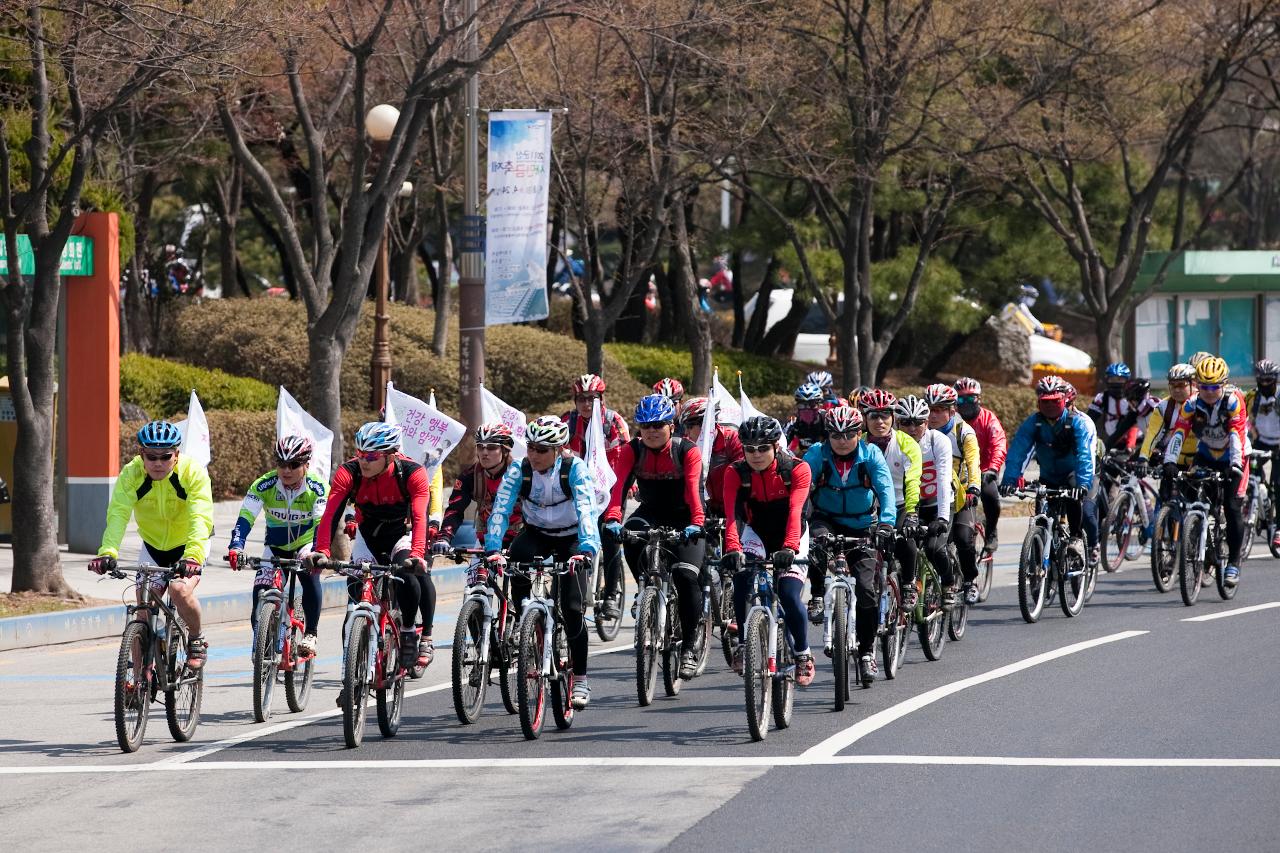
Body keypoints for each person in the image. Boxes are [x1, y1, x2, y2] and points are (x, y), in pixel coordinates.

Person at [484, 415, 600, 709]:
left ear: (559, 449)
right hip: (536, 533)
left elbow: (587, 509)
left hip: (571, 538)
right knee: (517, 567)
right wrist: (494, 549)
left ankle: (582, 677)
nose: (534, 455)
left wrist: (586, 550)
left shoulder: (575, 469)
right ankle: (528, 630)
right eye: (531, 448)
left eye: (542, 450)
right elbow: (500, 509)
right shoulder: (519, 471)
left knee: (573, 608)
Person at [308, 422, 434, 672]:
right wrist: (322, 550)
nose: (363, 461)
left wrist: (418, 555)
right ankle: (350, 673)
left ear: (389, 455)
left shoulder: (411, 472)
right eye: (360, 453)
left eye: (372, 456)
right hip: (368, 535)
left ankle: (410, 630)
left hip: (402, 533)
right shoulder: (349, 472)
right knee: (355, 601)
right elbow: (331, 514)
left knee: (407, 577)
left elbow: (420, 517)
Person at [90, 421, 215, 669]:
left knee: (179, 590)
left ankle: (196, 638)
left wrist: (192, 556)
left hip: (189, 546)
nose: (158, 463)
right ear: (141, 454)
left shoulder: (192, 473)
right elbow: (118, 514)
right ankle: (138, 680)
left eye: (165, 456)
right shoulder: (132, 474)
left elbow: (200, 517)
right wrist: (107, 552)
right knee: (143, 608)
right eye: (151, 456)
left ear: (176, 455)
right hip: (153, 546)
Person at [604, 395, 707, 680]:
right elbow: (618, 491)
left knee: (686, 577)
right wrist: (613, 518)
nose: (651, 430)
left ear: (671, 426)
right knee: (629, 535)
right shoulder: (631, 450)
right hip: (650, 512)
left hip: (686, 516)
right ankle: (645, 586)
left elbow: (694, 490)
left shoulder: (686, 450)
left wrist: (697, 523)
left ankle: (689, 646)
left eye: (658, 424)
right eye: (645, 425)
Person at [802, 405, 896, 686]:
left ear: (859, 433)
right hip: (826, 519)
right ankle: (817, 593)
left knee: (867, 590)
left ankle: (867, 652)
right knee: (815, 544)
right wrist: (795, 519)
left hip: (862, 524)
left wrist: (887, 523)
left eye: (849, 434)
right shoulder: (817, 454)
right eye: (835, 434)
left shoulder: (871, 455)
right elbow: (802, 486)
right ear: (828, 435)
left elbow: (886, 490)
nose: (842, 440)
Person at [721, 417, 813, 683]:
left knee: (788, 592)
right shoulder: (735, 472)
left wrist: (790, 547)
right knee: (740, 576)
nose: (756, 454)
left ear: (775, 446)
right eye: (749, 449)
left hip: (792, 533)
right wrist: (732, 549)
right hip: (756, 532)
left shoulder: (796, 468)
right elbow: (732, 516)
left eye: (763, 448)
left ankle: (803, 653)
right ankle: (742, 644)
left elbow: (796, 511)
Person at [225, 435, 328, 657]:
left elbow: (322, 523)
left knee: (310, 575)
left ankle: (311, 632)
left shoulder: (317, 488)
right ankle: (265, 646)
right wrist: (236, 546)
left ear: (306, 465)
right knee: (260, 598)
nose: (286, 470)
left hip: (305, 545)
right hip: (274, 547)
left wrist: (318, 552)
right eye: (281, 464)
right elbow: (245, 517)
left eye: (294, 465)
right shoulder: (264, 484)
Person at [1163, 356, 1248, 587]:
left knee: (1232, 506)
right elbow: (1179, 432)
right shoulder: (1191, 404)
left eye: (1214, 387)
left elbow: (1236, 435)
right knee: (1193, 495)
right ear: (1197, 385)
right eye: (1203, 387)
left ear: (1224, 384)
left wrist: (1236, 465)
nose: (1209, 392)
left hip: (1234, 454)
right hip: (1207, 453)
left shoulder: (1232, 401)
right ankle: (1202, 536)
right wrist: (1170, 460)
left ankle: (1233, 564)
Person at [1000, 376, 1100, 569]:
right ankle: (1039, 558)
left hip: (1072, 475)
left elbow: (1084, 455)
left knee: (1074, 497)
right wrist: (1009, 480)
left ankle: (1076, 539)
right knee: (1042, 515)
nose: (1050, 406)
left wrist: (1082, 484)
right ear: (1038, 402)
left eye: (1055, 401)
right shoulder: (1033, 423)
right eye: (1045, 402)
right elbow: (1019, 451)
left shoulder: (1078, 423)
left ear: (1064, 400)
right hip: (1048, 476)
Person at [562, 373, 629, 618]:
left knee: (610, 536)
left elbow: (624, 459)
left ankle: (611, 593)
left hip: (608, 487)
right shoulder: (567, 421)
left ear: (601, 398)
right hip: (576, 487)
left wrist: (623, 488)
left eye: (592, 398)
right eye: (581, 399)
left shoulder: (613, 421)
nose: (586, 404)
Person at [851, 388, 920, 622]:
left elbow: (912, 481)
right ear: (864, 418)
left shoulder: (907, 444)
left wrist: (911, 512)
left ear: (893, 417)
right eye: (873, 416)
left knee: (907, 542)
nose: (880, 421)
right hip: (867, 509)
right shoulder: (855, 444)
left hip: (900, 504)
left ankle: (909, 584)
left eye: (885, 415)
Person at [925, 383, 983, 604]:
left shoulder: (963, 432)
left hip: (960, 494)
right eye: (929, 409)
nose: (933, 415)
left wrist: (973, 488)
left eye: (939, 410)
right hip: (932, 494)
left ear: (952, 410)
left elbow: (973, 463)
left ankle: (970, 580)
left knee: (962, 537)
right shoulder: (921, 430)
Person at [894, 395, 954, 608]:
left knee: (934, 549)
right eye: (906, 422)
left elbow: (944, 479)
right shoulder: (893, 444)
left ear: (927, 423)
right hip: (908, 507)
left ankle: (949, 583)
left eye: (918, 422)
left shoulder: (938, 441)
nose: (912, 428)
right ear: (896, 423)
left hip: (936, 504)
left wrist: (943, 518)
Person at [433, 423, 521, 557]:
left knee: (520, 577)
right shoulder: (469, 476)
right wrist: (444, 537)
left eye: (491, 447)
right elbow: (455, 510)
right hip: (486, 538)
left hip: (518, 536)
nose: (484, 453)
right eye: (480, 447)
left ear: (505, 450)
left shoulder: (521, 473)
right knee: (477, 578)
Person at [954, 377, 1006, 558]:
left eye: (970, 398)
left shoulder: (988, 419)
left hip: (984, 470)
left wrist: (993, 468)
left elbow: (999, 444)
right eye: (961, 399)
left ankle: (991, 530)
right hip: (958, 472)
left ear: (979, 399)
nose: (966, 403)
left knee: (990, 494)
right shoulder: (952, 420)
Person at [679, 396, 745, 521]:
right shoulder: (687, 445)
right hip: (708, 509)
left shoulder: (732, 440)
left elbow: (744, 477)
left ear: (706, 423)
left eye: (689, 426)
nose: (686, 432)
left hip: (736, 509)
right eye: (684, 427)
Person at [1138, 363, 1197, 500]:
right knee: (1165, 499)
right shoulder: (1164, 407)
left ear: (1193, 384)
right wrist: (1143, 458)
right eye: (1172, 385)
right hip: (1174, 459)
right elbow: (1152, 434)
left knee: (1197, 504)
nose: (1176, 390)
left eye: (1181, 385)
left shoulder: (1202, 404)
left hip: (1199, 460)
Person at [1246, 359, 1280, 547]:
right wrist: (1252, 432)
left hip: (1278, 444)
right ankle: (1256, 506)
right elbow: (1243, 417)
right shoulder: (1253, 396)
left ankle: (1279, 529)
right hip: (1260, 441)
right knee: (1250, 476)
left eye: (1269, 380)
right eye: (1261, 380)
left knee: (1278, 482)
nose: (1265, 384)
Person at [1088, 362, 1135, 448]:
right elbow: (1089, 420)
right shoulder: (1102, 398)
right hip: (1110, 443)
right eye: (1113, 379)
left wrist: (1131, 444)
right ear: (1107, 380)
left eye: (1120, 379)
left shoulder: (1134, 398)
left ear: (1127, 380)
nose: (1116, 383)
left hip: (1135, 442)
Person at [786, 382, 828, 454]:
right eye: (802, 405)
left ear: (819, 405)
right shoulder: (794, 421)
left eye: (812, 405)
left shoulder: (826, 419)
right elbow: (782, 442)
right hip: (805, 459)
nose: (807, 409)